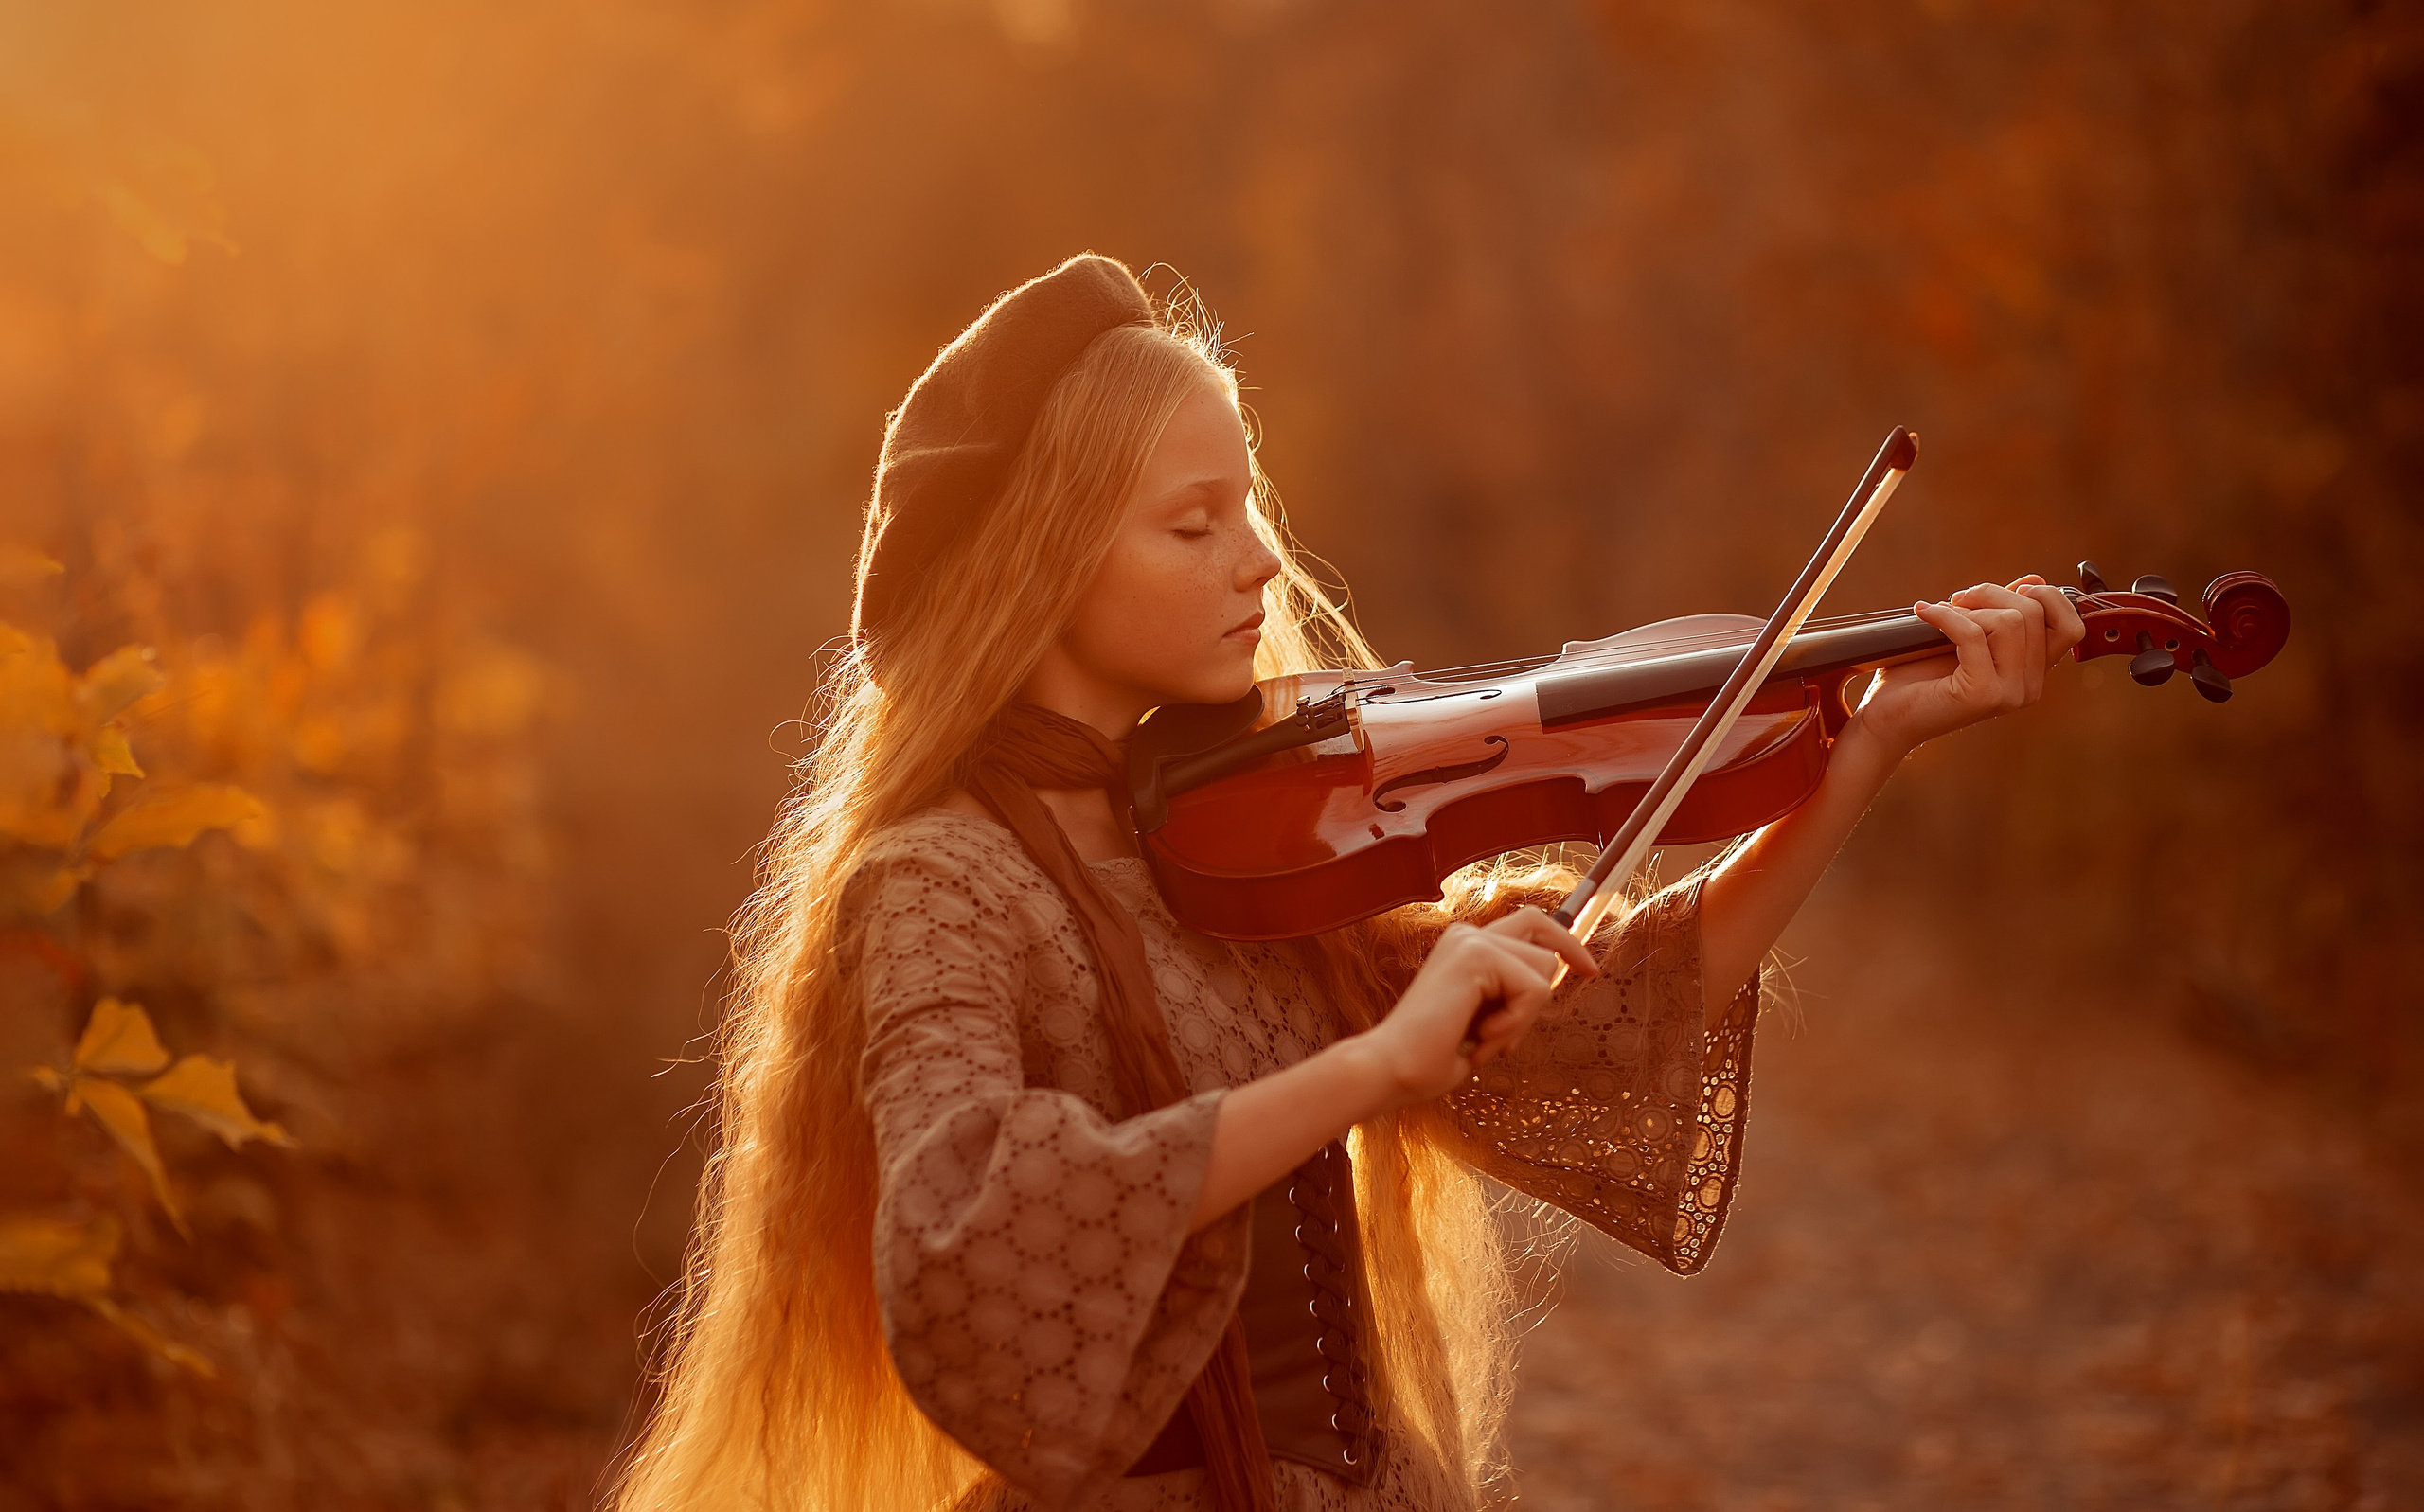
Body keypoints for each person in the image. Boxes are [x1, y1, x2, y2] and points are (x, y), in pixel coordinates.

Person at [612, 255, 2085, 1512]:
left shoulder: (1237, 838)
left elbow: (1605, 1020)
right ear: (1041, 564)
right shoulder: (939, 882)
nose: (1260, 562)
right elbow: (972, 1238)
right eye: (1194, 525)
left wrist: (1869, 742)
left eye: (1248, 507)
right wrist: (1376, 1064)